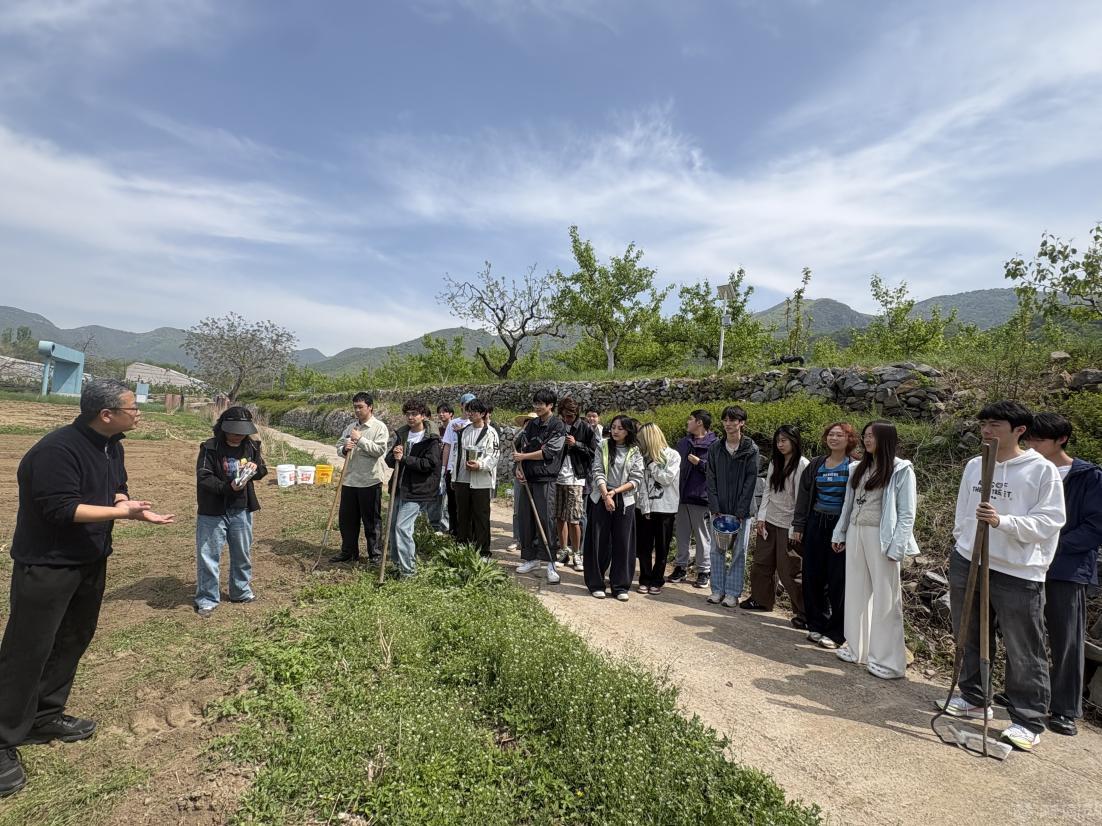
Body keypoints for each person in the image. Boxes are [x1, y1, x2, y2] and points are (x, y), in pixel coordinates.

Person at [0, 379, 174, 798]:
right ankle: (3, 737)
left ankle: (45, 716)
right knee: (27, 650)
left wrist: (125, 503)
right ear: (106, 414)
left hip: (90, 560)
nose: (139, 414)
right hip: (48, 565)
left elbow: (116, 488)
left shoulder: (112, 445)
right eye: (133, 408)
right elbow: (61, 509)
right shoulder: (56, 451)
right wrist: (123, 515)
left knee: (72, 639)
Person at [939, 401, 1065, 752]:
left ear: (1019, 430)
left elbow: (1050, 521)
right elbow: (964, 511)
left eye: (995, 424)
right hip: (970, 559)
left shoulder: (1041, 470)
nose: (986, 430)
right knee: (968, 632)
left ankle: (1027, 719)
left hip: (1017, 569)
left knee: (1023, 645)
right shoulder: (975, 464)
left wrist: (1002, 521)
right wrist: (963, 542)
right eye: (984, 424)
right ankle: (974, 697)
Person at [1026, 412, 1102, 737]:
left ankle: (1065, 709)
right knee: (1024, 633)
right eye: (1029, 438)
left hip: (1067, 569)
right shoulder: (1028, 470)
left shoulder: (1088, 476)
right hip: (1027, 564)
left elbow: (1095, 527)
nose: (1032, 444)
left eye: (1039, 439)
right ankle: (1025, 695)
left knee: (1066, 638)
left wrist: (1052, 544)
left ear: (1061, 440)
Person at [829, 421, 918, 679]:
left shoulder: (901, 469)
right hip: (856, 531)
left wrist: (897, 547)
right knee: (856, 592)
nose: (867, 440)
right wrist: (840, 533)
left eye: (872, 436)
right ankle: (857, 647)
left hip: (882, 537)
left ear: (886, 439)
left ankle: (889, 661)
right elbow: (848, 504)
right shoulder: (858, 468)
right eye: (866, 435)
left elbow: (907, 513)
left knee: (886, 598)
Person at [194, 406, 269, 618]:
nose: (238, 436)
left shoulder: (251, 446)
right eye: (234, 432)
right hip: (213, 510)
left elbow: (262, 470)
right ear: (223, 428)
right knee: (208, 555)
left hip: (241, 508)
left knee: (242, 553)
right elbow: (204, 477)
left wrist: (254, 470)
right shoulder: (210, 448)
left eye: (242, 432)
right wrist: (228, 487)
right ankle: (207, 598)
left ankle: (240, 591)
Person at [791, 422, 858, 650]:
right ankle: (816, 624)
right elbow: (804, 496)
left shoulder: (855, 466)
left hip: (841, 526)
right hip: (816, 522)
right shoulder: (817, 464)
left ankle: (837, 632)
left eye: (839, 435)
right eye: (831, 434)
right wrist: (799, 525)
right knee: (812, 575)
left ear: (849, 439)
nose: (834, 438)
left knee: (838, 579)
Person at [743, 426, 810, 625]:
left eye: (784, 440)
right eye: (778, 441)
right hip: (770, 520)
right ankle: (761, 600)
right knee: (762, 563)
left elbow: (802, 499)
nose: (780, 445)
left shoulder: (802, 464)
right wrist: (761, 517)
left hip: (789, 524)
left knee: (789, 569)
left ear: (794, 441)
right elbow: (768, 491)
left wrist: (797, 526)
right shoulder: (775, 461)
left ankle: (804, 613)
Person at [585, 415, 644, 601]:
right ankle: (596, 583)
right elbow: (597, 471)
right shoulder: (603, 446)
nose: (615, 431)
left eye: (620, 428)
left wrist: (615, 492)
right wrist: (606, 495)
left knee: (623, 543)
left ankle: (620, 586)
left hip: (624, 499)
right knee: (598, 541)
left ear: (628, 431)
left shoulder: (635, 451)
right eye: (613, 427)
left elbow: (636, 478)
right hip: (601, 497)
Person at [705, 406, 759, 608]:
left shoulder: (750, 449)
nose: (728, 424)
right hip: (719, 508)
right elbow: (710, 478)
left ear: (741, 423)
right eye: (725, 420)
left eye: (732, 420)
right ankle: (717, 590)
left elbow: (750, 481)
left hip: (742, 511)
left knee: (739, 551)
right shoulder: (715, 448)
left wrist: (740, 511)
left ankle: (733, 593)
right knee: (716, 549)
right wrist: (715, 506)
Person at [384, 399, 444, 578]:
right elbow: (389, 461)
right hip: (399, 487)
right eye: (407, 414)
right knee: (393, 527)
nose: (410, 417)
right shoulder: (403, 435)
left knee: (402, 527)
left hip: (418, 490)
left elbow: (429, 464)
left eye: (414, 414)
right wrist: (394, 456)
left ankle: (408, 571)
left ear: (423, 416)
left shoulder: (431, 439)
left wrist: (404, 459)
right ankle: (397, 565)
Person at [514, 390, 568, 583]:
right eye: (535, 403)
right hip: (527, 478)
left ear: (550, 405)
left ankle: (550, 562)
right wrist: (519, 468)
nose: (537, 407)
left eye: (541, 404)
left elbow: (550, 451)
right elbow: (521, 448)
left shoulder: (558, 425)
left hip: (546, 479)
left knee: (546, 519)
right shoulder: (531, 425)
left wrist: (524, 457)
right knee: (526, 519)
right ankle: (531, 558)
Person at [330, 392, 390, 564]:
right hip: (349, 480)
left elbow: (379, 451)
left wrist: (360, 440)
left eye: (360, 407)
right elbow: (339, 445)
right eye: (355, 407)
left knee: (371, 521)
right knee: (347, 520)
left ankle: (375, 555)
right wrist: (344, 448)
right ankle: (349, 552)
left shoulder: (379, 427)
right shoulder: (351, 427)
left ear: (370, 407)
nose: (357, 410)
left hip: (370, 481)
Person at [671, 409, 716, 588]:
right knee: (681, 534)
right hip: (682, 496)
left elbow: (717, 470)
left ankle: (704, 570)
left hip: (701, 497)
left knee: (703, 536)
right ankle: (680, 567)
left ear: (699, 422)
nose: (687, 422)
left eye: (690, 419)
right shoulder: (683, 443)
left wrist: (700, 463)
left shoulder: (715, 444)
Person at [635, 422, 681, 595]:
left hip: (665, 508)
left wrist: (652, 464)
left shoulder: (672, 455)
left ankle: (657, 579)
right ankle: (644, 578)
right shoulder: (640, 456)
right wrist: (644, 506)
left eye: (641, 439)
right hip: (644, 507)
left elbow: (666, 478)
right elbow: (640, 483)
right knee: (644, 546)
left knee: (662, 546)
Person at [555, 397, 598, 571]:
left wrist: (576, 444)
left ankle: (577, 553)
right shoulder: (557, 426)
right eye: (564, 416)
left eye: (570, 416)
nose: (567, 419)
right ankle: (563, 551)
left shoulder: (585, 428)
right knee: (559, 517)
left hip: (576, 478)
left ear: (576, 414)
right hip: (558, 477)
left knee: (574, 519)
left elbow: (594, 452)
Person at [452, 399, 500, 556]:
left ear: (483, 413)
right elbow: (457, 454)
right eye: (468, 410)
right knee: (462, 515)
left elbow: (493, 455)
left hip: (481, 481)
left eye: (473, 411)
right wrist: (454, 477)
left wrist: (480, 465)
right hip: (463, 478)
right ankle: (462, 546)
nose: (470, 414)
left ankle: (483, 551)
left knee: (481, 516)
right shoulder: (465, 431)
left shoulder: (490, 432)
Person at [429, 402, 457, 533]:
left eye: (444, 412)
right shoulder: (437, 431)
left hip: (450, 467)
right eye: (439, 412)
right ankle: (436, 525)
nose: (441, 414)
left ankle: (446, 526)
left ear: (451, 414)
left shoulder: (455, 429)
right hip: (437, 467)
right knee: (437, 497)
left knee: (448, 499)